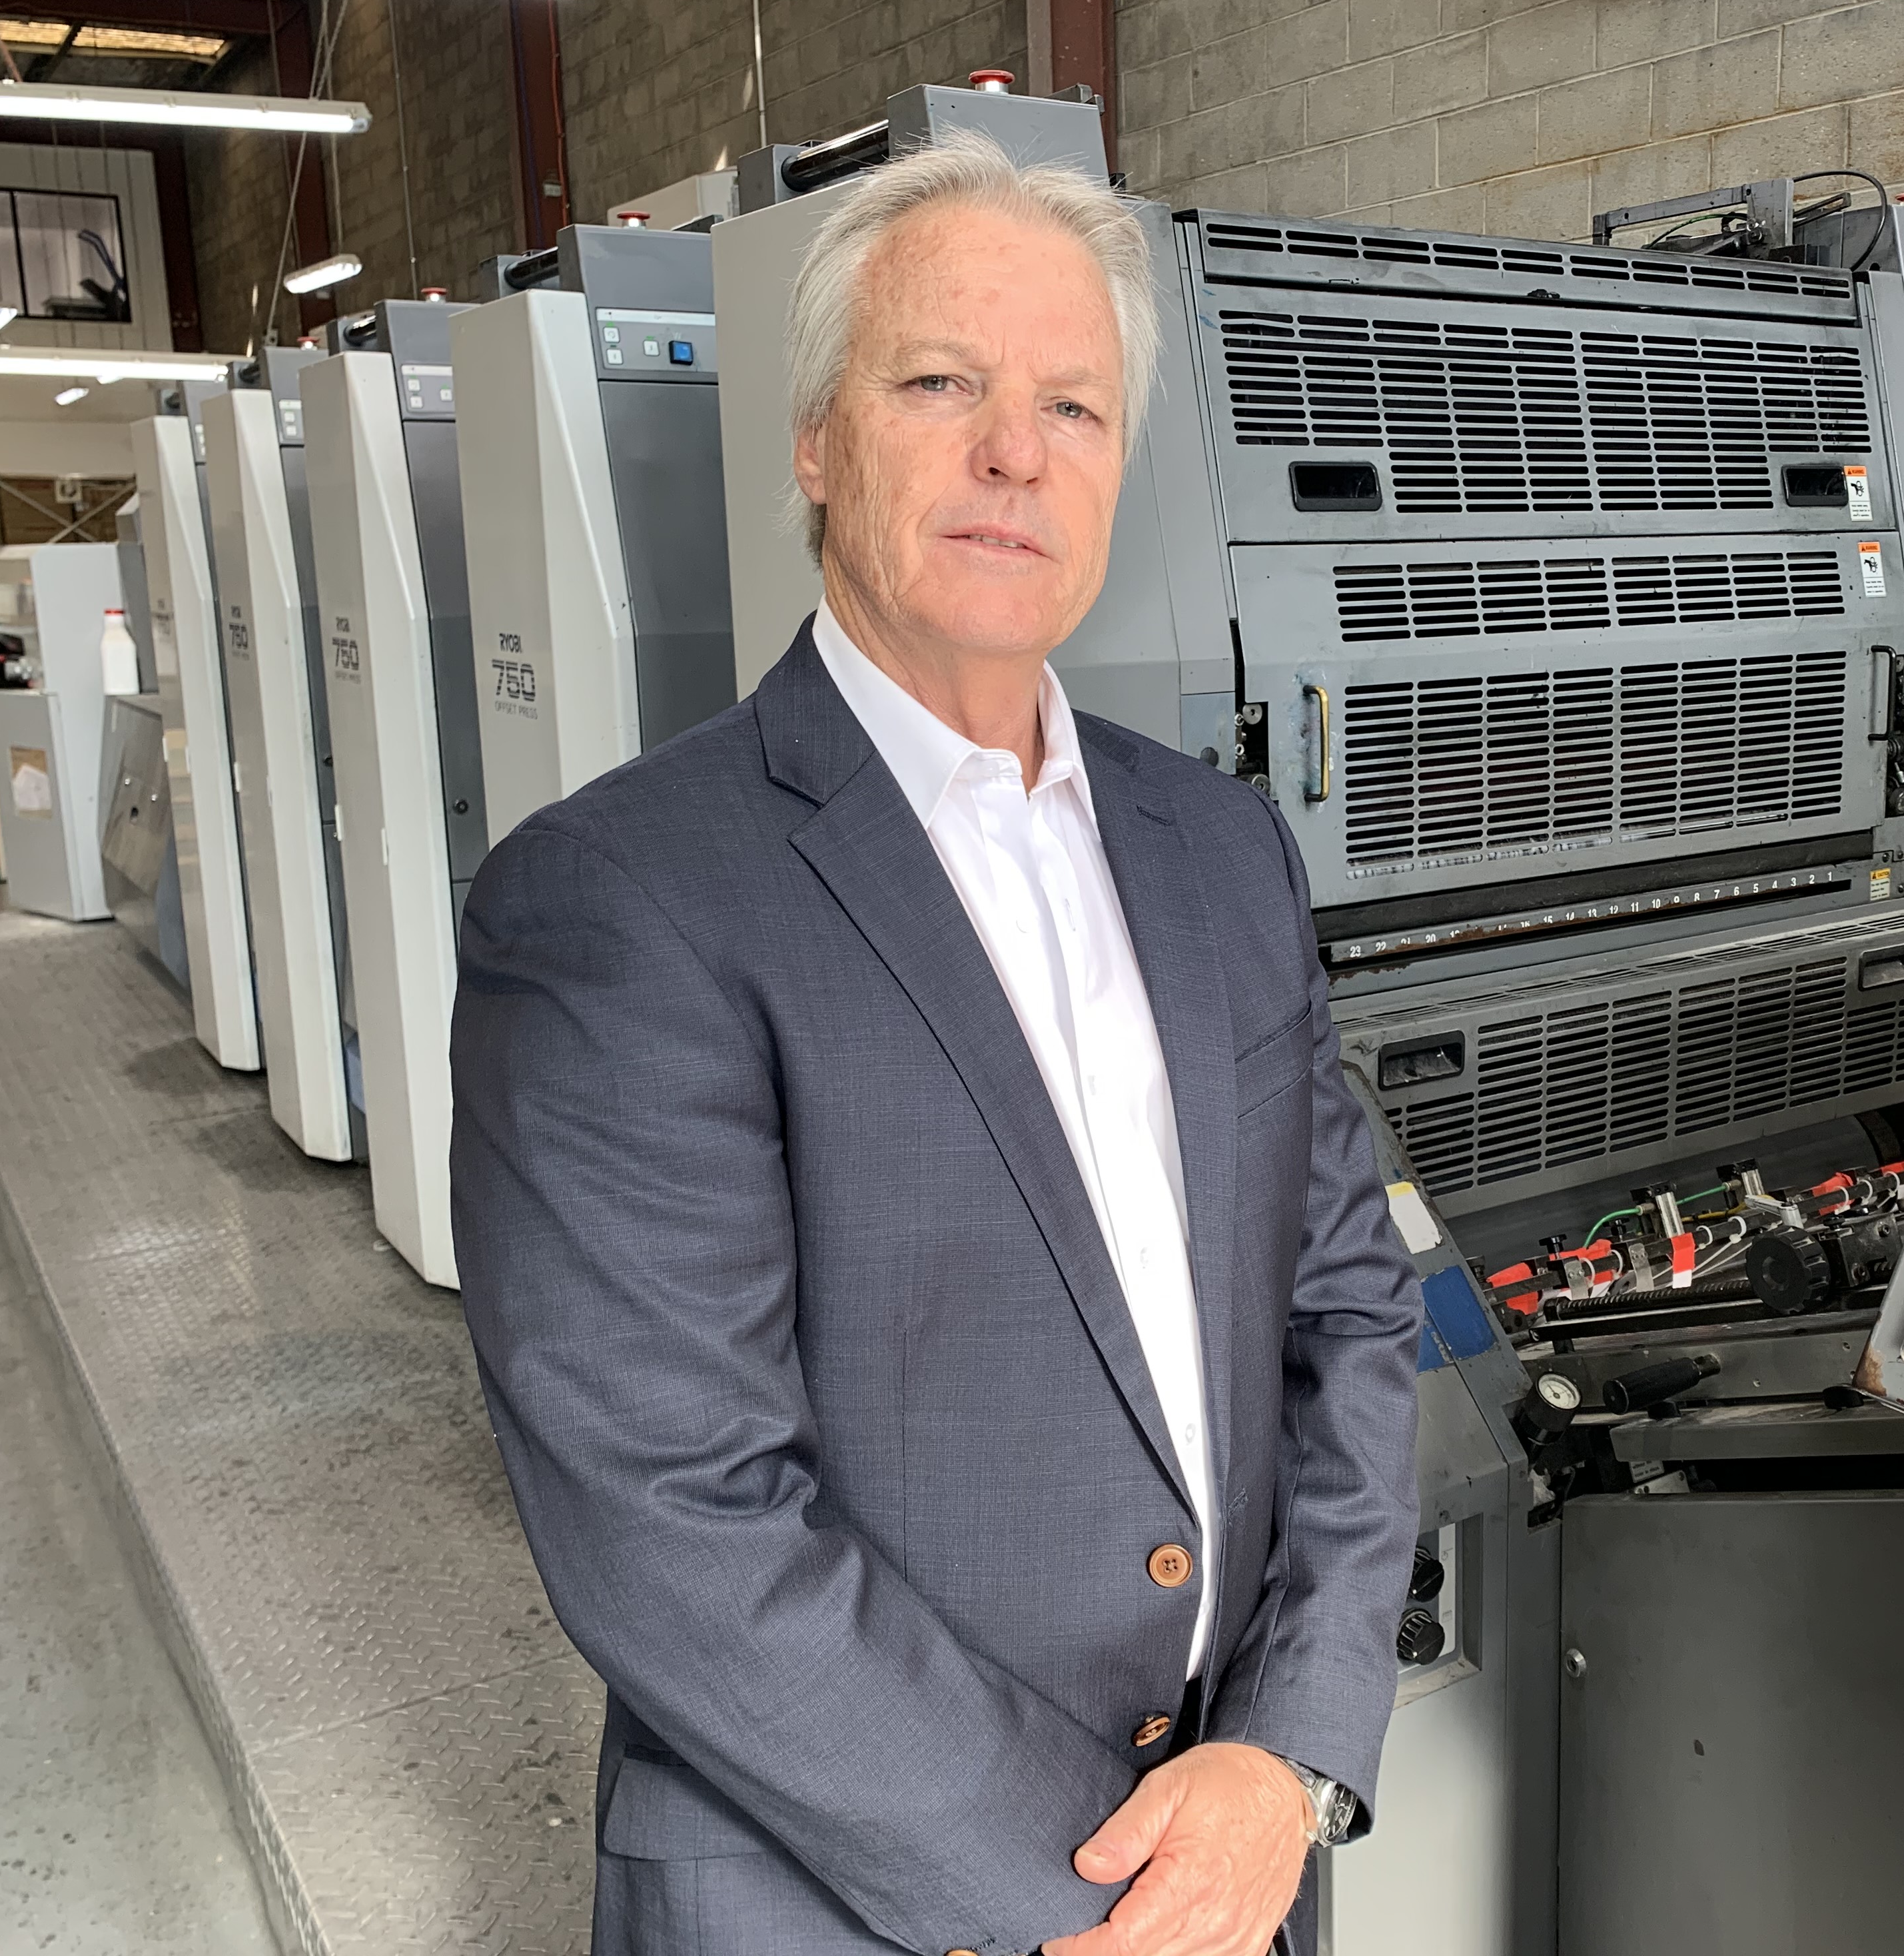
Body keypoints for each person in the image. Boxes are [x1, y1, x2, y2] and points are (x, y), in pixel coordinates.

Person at [451, 131, 1424, 1956]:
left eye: (1074, 406)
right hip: (866, 1900)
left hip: (1234, 1864)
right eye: (940, 385)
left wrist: (1287, 1759)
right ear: (816, 443)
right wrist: (1105, 1898)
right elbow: (677, 1515)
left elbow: (1353, 1321)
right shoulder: (619, 905)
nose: (1013, 453)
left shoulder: (1217, 848)